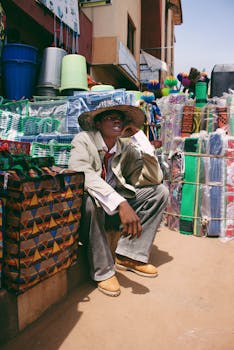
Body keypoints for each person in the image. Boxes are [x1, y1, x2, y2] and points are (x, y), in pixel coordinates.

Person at [69, 103, 169, 297]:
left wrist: (140, 137)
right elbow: (81, 171)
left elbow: (153, 178)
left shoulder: (125, 147)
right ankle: (103, 271)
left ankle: (128, 255)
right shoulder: (84, 140)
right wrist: (120, 203)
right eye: (110, 117)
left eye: (121, 118)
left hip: (113, 210)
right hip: (90, 211)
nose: (117, 120)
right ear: (98, 123)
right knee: (90, 200)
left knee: (160, 192)